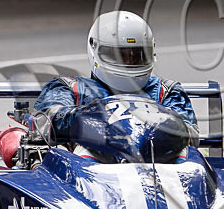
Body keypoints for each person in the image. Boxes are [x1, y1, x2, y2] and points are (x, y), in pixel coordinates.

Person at [19, 11, 198, 161]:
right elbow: (47, 122)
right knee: (77, 150)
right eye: (119, 56)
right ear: (95, 50)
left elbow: (189, 134)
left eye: (136, 56)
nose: (128, 63)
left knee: (183, 154)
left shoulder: (165, 91)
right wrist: (91, 121)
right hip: (92, 178)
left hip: (158, 169)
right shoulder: (69, 89)